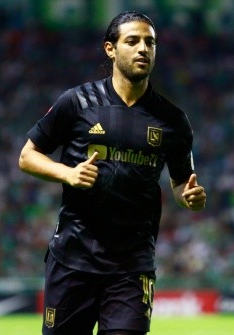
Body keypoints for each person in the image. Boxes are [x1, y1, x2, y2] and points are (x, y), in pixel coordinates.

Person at [19, 11, 206, 335]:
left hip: (131, 267)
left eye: (150, 42)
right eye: (132, 41)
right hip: (72, 261)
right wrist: (67, 173)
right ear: (110, 48)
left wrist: (189, 197)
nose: (143, 49)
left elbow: (180, 184)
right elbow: (27, 156)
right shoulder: (76, 103)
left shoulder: (173, 121)